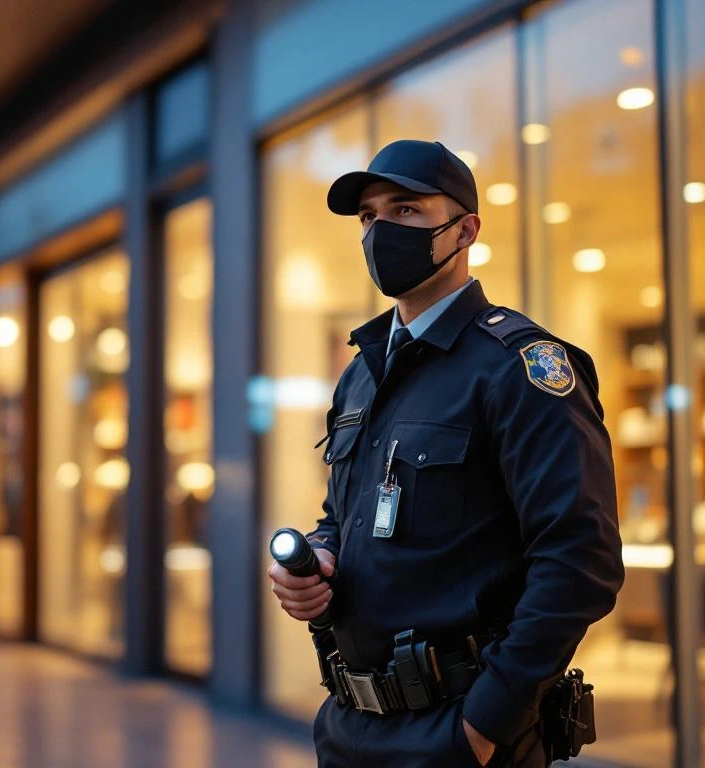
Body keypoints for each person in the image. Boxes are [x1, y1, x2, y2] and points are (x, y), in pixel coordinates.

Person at [267, 140, 625, 767]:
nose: (381, 232)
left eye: (405, 211)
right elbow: (345, 515)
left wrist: (484, 725)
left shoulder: (520, 367)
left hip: (457, 737)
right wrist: (322, 558)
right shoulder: (362, 373)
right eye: (369, 217)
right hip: (349, 727)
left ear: (465, 231)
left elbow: (580, 561)